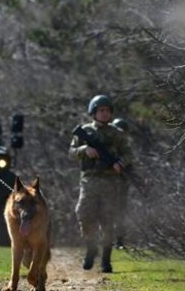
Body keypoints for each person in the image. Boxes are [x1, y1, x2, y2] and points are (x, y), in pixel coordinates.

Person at [68, 95, 132, 274]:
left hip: (111, 181)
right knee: (84, 213)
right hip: (89, 180)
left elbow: (128, 154)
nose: (105, 113)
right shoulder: (85, 131)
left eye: (107, 110)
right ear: (94, 112)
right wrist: (84, 150)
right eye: (101, 110)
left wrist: (121, 163)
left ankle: (106, 260)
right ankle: (91, 247)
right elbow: (71, 152)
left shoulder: (117, 133)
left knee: (107, 221)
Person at [111, 117, 130, 249]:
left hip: (121, 185)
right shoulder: (109, 146)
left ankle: (119, 241)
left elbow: (131, 164)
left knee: (120, 214)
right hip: (107, 184)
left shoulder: (126, 149)